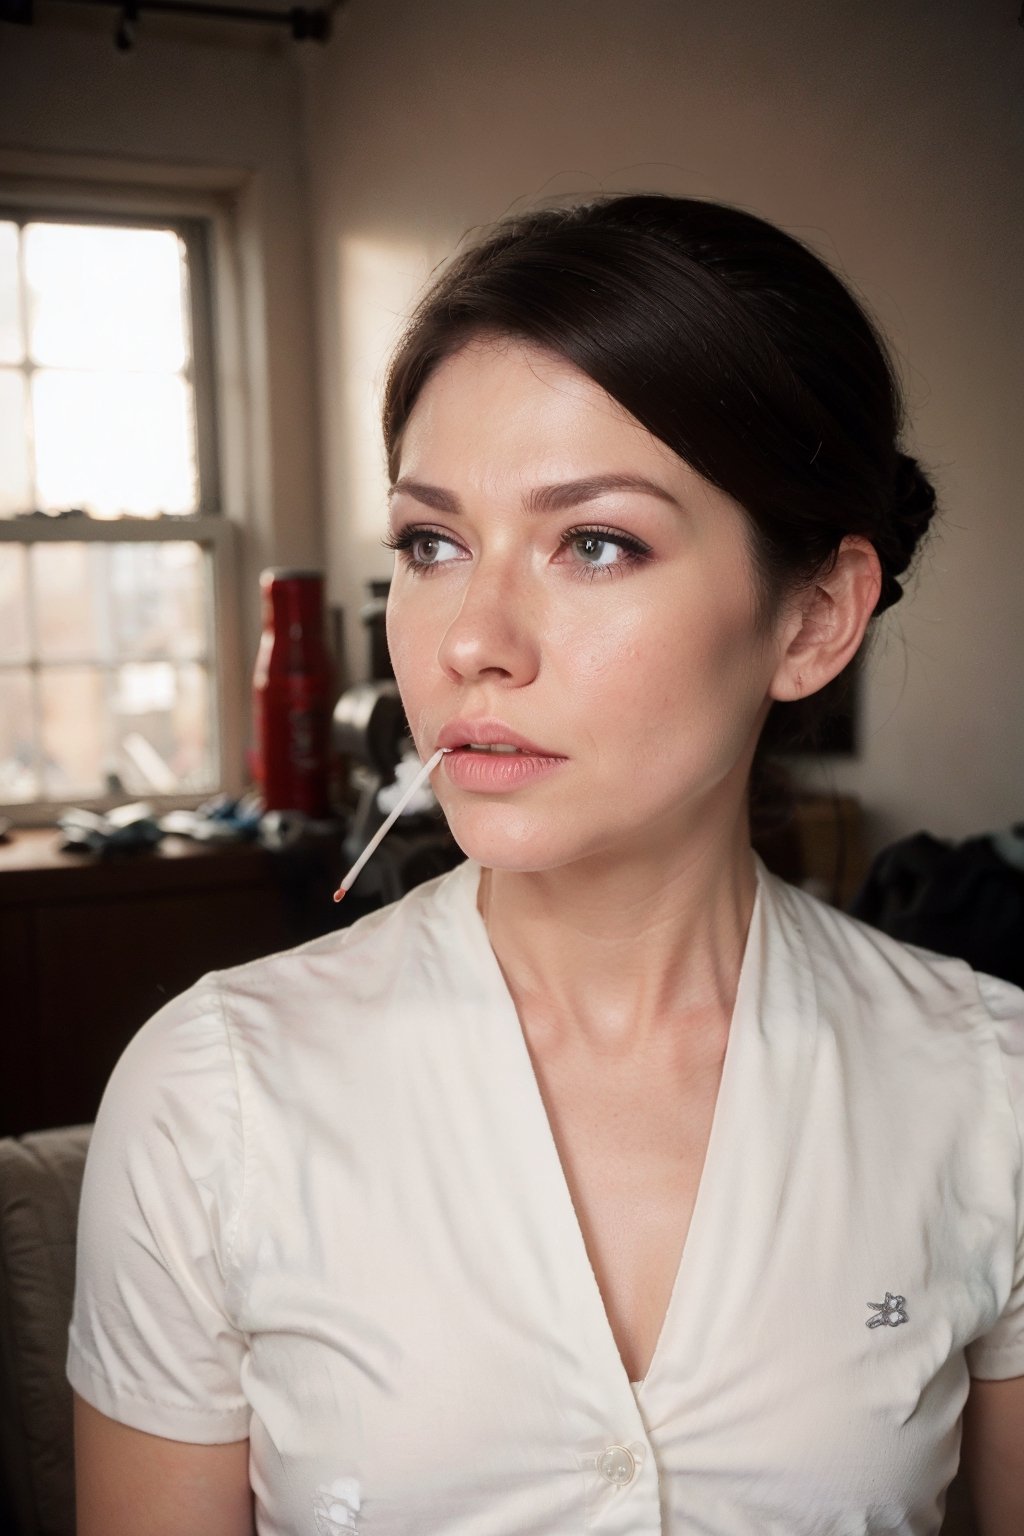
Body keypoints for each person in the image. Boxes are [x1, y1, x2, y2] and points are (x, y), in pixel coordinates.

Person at [69, 194, 1023, 1536]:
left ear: (811, 620)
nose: (472, 639)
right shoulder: (211, 1099)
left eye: (596, 543)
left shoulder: (991, 1093)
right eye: (431, 544)